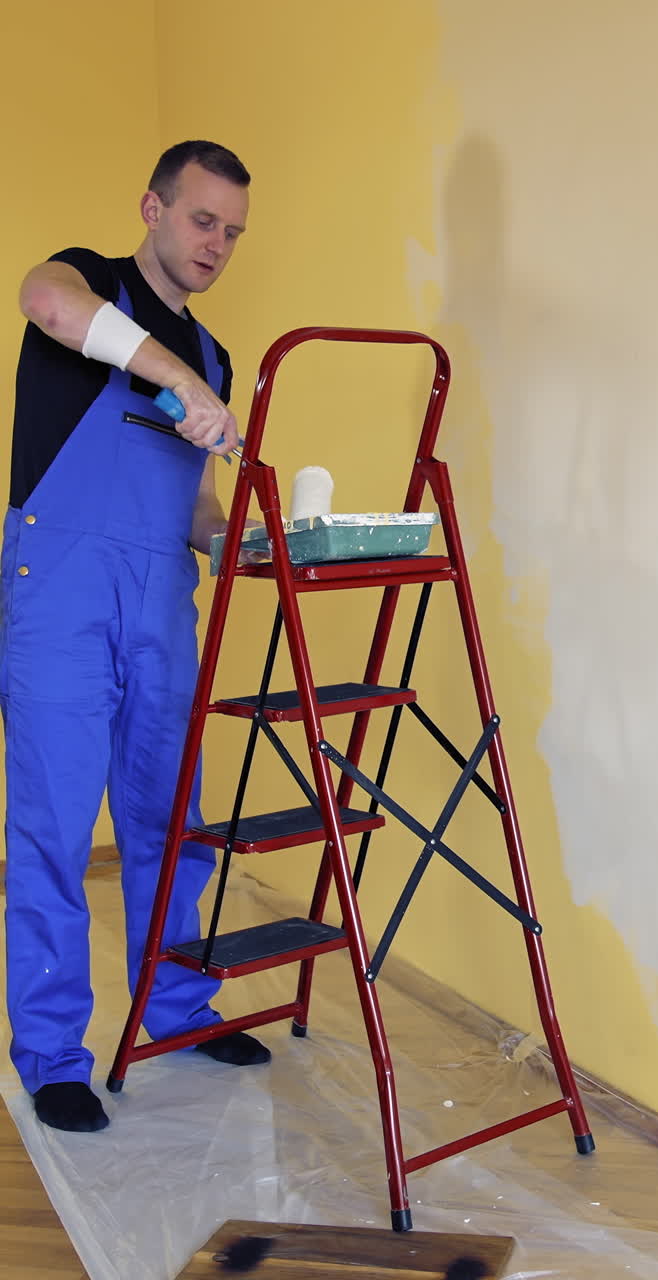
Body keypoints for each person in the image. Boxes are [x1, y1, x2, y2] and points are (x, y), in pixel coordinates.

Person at [1, 140, 271, 1135]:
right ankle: (51, 1053)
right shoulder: (87, 285)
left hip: (159, 601)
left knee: (170, 818)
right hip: (62, 596)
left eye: (234, 232)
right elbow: (46, 304)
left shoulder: (210, 357)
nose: (217, 245)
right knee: (55, 828)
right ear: (152, 207)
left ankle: (175, 1010)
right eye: (203, 220)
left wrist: (242, 537)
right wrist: (179, 383)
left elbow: (191, 503)